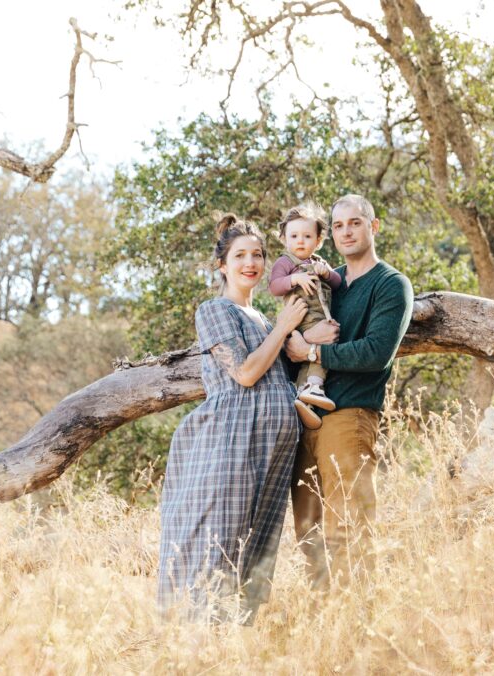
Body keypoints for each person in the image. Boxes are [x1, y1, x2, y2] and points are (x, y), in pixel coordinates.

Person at [157, 213, 309, 623]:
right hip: (232, 439)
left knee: (257, 548)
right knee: (218, 542)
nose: (251, 263)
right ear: (222, 265)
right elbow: (244, 373)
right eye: (240, 255)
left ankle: (236, 648)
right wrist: (284, 328)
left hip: (275, 444)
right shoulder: (214, 311)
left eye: (258, 254)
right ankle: (194, 638)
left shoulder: (263, 317)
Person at [285, 194, 414, 589]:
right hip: (303, 417)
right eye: (338, 226)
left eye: (355, 223)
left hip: (349, 416)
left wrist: (312, 349)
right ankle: (327, 630)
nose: (346, 232)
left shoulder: (391, 284)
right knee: (308, 533)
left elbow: (376, 352)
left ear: (373, 227)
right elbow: (292, 340)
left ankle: (360, 628)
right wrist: (303, 343)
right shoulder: (327, 282)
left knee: (348, 527)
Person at [268, 202, 343, 430]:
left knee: (317, 353)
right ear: (284, 238)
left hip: (321, 317)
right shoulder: (285, 262)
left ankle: (304, 399)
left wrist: (327, 273)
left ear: (318, 241)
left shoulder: (319, 262)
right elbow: (274, 286)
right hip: (299, 321)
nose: (300, 241)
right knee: (320, 350)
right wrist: (294, 279)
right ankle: (314, 387)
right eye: (294, 236)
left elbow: (338, 283)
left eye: (307, 236)